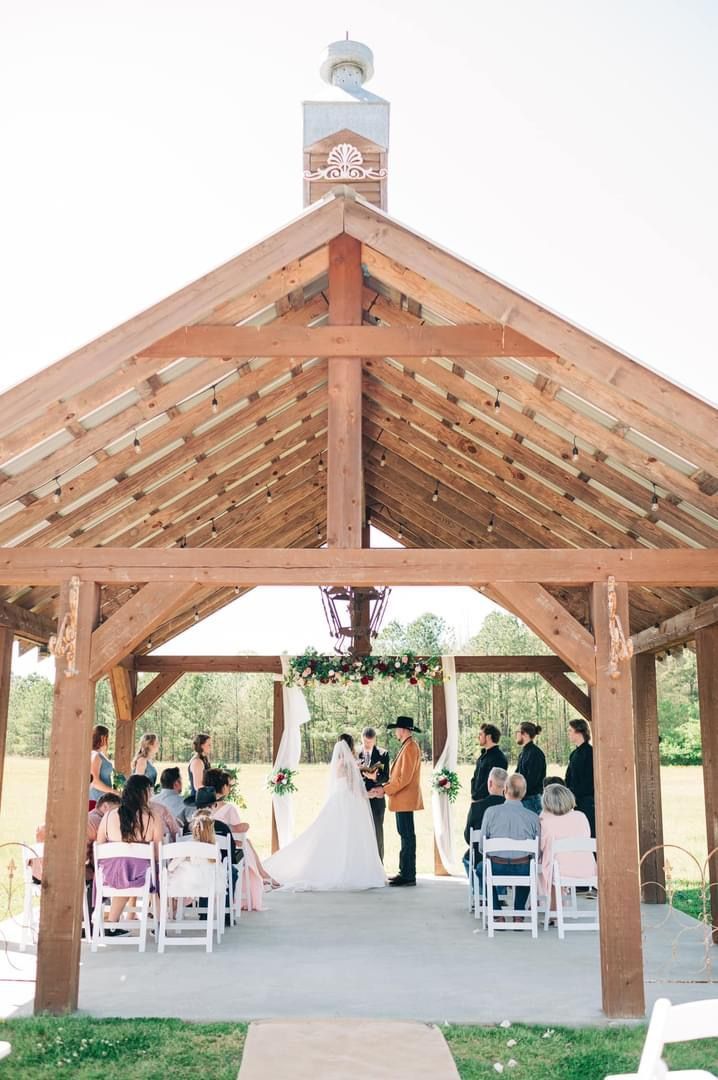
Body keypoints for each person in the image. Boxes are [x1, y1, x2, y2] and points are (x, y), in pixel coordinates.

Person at [264, 736, 385, 891]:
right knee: (350, 835)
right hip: (348, 802)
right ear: (351, 747)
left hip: (338, 800)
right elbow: (355, 789)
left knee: (332, 835)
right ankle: (349, 868)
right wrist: (372, 794)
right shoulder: (348, 764)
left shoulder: (339, 763)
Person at [95, 774, 163, 935]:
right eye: (150, 790)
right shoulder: (152, 817)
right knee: (157, 873)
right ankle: (159, 922)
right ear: (144, 793)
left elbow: (99, 845)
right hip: (142, 876)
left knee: (124, 865)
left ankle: (112, 923)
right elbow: (158, 851)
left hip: (109, 875)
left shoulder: (109, 815)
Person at [203, 767, 277, 908]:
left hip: (204, 852)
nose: (230, 788)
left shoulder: (199, 808)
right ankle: (262, 877)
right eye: (229, 785)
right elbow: (239, 834)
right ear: (223, 787)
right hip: (225, 854)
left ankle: (264, 875)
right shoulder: (228, 809)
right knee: (246, 843)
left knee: (247, 842)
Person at [370, 716, 423, 888]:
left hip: (405, 800)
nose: (395, 732)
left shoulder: (410, 748)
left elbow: (404, 779)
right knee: (405, 835)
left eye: (397, 729)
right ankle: (405, 872)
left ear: (403, 730)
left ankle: (408, 875)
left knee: (407, 836)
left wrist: (384, 789)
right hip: (403, 800)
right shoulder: (407, 746)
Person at [481, 773, 540, 919]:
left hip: (496, 867)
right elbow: (537, 851)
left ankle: (497, 912)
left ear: (505, 789)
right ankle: (519, 912)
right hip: (523, 868)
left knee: (481, 870)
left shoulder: (491, 812)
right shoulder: (533, 817)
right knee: (529, 867)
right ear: (524, 792)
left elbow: (483, 847)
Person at [539, 783, 596, 904]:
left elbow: (541, 846)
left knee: (544, 864)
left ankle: (551, 908)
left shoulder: (545, 819)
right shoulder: (581, 817)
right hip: (587, 869)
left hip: (560, 871)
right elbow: (586, 837)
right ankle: (556, 905)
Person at [463, 766, 507, 897]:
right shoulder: (512, 808)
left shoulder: (477, 807)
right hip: (508, 857)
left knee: (467, 857)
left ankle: (481, 892)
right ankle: (499, 892)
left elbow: (468, 837)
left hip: (482, 856)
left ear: (490, 783)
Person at [357, 726, 390, 862]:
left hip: (377, 799)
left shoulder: (383, 754)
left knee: (377, 833)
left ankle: (379, 865)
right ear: (361, 739)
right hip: (360, 799)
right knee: (360, 834)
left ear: (375, 740)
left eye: (370, 743)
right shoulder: (355, 753)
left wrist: (374, 778)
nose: (367, 745)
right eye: (365, 742)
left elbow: (386, 777)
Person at [565, 718, 595, 837]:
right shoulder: (574, 754)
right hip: (575, 801)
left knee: (589, 832)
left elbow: (589, 780)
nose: (568, 734)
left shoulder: (590, 753)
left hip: (586, 801)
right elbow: (569, 777)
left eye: (570, 730)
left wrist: (574, 793)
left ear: (579, 731)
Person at [470, 723, 508, 802]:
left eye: (480, 735)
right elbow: (474, 778)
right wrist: (474, 794)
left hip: (490, 803)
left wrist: (477, 797)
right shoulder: (483, 756)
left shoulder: (499, 758)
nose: (478, 737)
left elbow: (493, 783)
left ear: (488, 737)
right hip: (478, 800)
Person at [515, 722, 546, 814]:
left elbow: (532, 780)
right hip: (524, 798)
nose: (516, 735)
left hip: (532, 800)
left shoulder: (535, 754)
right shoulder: (523, 753)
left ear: (525, 734)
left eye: (517, 732)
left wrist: (518, 793)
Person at [89, 725, 114, 808]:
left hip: (104, 800)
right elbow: (94, 782)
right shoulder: (95, 755)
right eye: (108, 737)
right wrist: (115, 792)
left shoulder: (101, 754)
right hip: (97, 800)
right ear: (103, 738)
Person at [188, 733, 212, 801]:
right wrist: (215, 792)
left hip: (204, 798)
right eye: (209, 745)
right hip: (199, 800)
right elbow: (198, 786)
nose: (211, 747)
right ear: (202, 746)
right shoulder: (197, 762)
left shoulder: (204, 758)